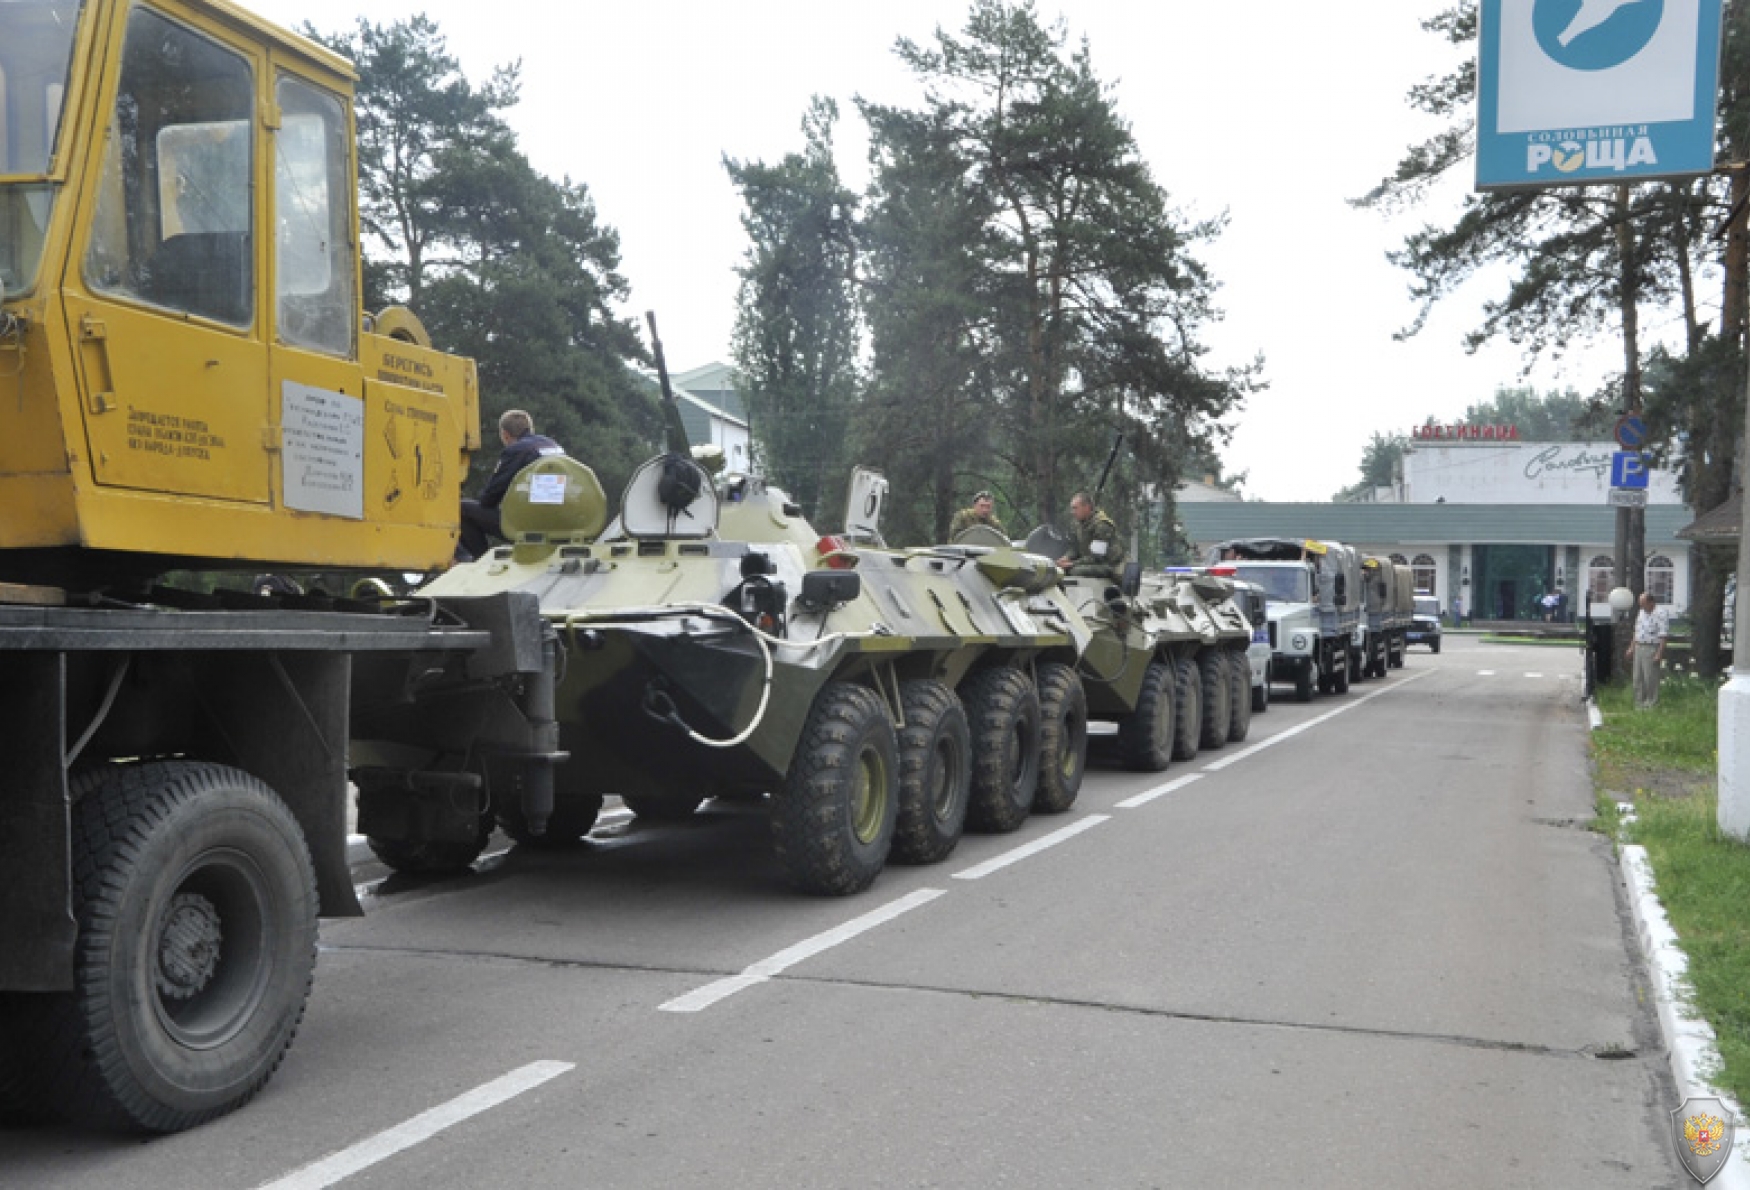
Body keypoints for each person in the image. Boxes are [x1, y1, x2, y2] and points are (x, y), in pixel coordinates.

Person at [458, 409, 565, 561]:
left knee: (462, 509)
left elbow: (490, 498)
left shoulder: (516, 450)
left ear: (505, 435)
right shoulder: (553, 446)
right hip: (562, 522)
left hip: (530, 525)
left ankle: (480, 561)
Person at [1056, 491, 1124, 579]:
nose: (1072, 512)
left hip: (1108, 565)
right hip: (1091, 563)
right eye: (1072, 508)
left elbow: (1096, 557)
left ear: (1086, 507)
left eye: (1075, 508)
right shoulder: (1079, 525)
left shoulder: (1101, 525)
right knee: (1060, 569)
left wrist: (1072, 564)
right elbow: (1075, 549)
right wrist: (1065, 558)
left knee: (1074, 571)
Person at [1625, 592, 1670, 709]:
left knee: (1650, 677)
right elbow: (1637, 631)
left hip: (1651, 647)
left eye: (1643, 604)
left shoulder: (1661, 613)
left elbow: (1663, 635)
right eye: (1640, 604)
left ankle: (1651, 703)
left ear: (1651, 603)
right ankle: (1639, 703)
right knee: (1637, 677)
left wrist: (1659, 653)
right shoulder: (1641, 612)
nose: (1642, 606)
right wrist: (1631, 647)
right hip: (1639, 645)